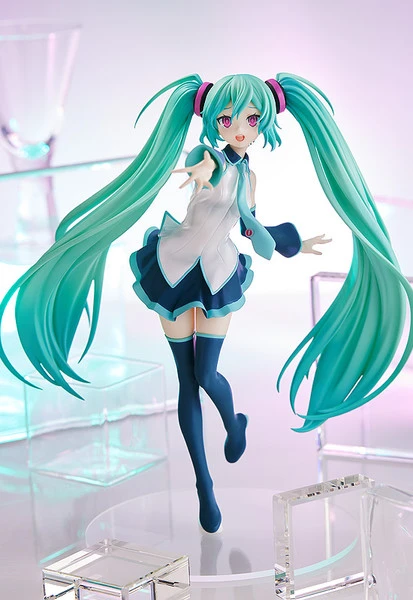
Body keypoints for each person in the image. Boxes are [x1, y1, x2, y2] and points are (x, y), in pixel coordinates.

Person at [1, 73, 412, 533]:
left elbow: (249, 226)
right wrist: (201, 171)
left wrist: (292, 242)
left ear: (265, 122)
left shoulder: (250, 176)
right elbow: (201, 165)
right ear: (213, 121)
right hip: (174, 269)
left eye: (251, 120)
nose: (239, 128)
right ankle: (204, 483)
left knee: (206, 374)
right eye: (227, 119)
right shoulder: (208, 157)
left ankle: (234, 424)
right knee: (186, 380)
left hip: (216, 274)